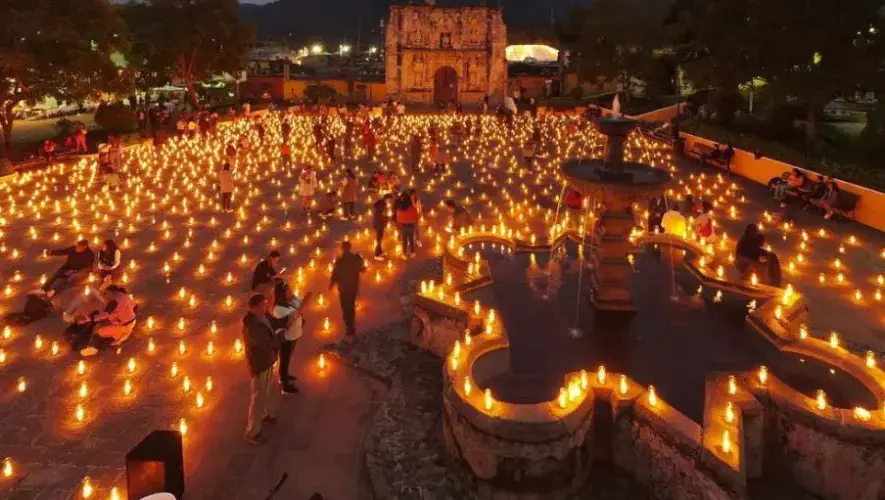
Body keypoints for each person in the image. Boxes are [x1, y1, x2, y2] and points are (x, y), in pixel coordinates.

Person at [242, 294, 280, 445]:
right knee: (258, 397)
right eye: (262, 306)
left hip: (268, 360)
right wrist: (280, 339)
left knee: (265, 391)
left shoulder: (263, 317)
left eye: (265, 305)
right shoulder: (251, 326)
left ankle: (263, 415)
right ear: (253, 308)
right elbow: (264, 343)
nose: (265, 308)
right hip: (259, 364)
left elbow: (274, 324)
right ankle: (252, 432)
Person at [270, 279, 312, 395]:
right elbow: (292, 318)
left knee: (288, 358)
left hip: (295, 334)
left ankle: (285, 376)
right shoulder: (278, 309)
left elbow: (301, 306)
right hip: (286, 338)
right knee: (284, 360)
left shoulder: (291, 300)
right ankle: (285, 385)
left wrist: (302, 304)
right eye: (288, 290)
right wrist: (303, 304)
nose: (291, 292)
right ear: (282, 294)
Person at [79, 285, 137, 356]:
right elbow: (132, 305)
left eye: (106, 293)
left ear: (113, 292)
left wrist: (90, 319)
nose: (105, 296)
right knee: (99, 325)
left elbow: (103, 315)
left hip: (123, 326)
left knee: (97, 330)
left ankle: (93, 348)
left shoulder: (114, 302)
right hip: (131, 321)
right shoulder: (123, 295)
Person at [329, 241, 366, 341]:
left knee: (345, 307)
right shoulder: (355, 258)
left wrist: (332, 283)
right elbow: (363, 269)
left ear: (343, 249)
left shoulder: (340, 260)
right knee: (350, 306)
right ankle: (350, 326)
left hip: (344, 288)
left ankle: (349, 327)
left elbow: (335, 273)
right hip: (353, 287)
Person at [395, 192, 419, 259]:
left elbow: (398, 218)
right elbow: (416, 217)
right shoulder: (413, 208)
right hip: (411, 226)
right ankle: (412, 252)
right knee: (411, 239)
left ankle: (404, 254)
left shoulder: (400, 208)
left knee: (404, 240)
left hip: (403, 227)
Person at [372, 194, 393, 260]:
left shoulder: (382, 204)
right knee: (379, 239)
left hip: (379, 224)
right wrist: (387, 217)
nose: (389, 201)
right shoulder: (382, 205)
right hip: (379, 224)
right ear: (386, 198)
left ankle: (380, 252)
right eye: (389, 199)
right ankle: (376, 255)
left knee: (380, 239)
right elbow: (380, 215)